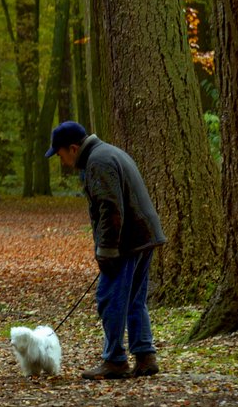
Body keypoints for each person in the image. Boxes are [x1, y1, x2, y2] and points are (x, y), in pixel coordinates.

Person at [45, 120, 167, 380]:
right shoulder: (108, 152)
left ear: (74, 148)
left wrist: (107, 250)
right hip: (144, 235)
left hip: (127, 240)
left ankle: (115, 360)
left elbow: (110, 208)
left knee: (110, 299)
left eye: (61, 154)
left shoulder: (97, 162)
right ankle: (145, 356)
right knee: (135, 300)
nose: (62, 161)